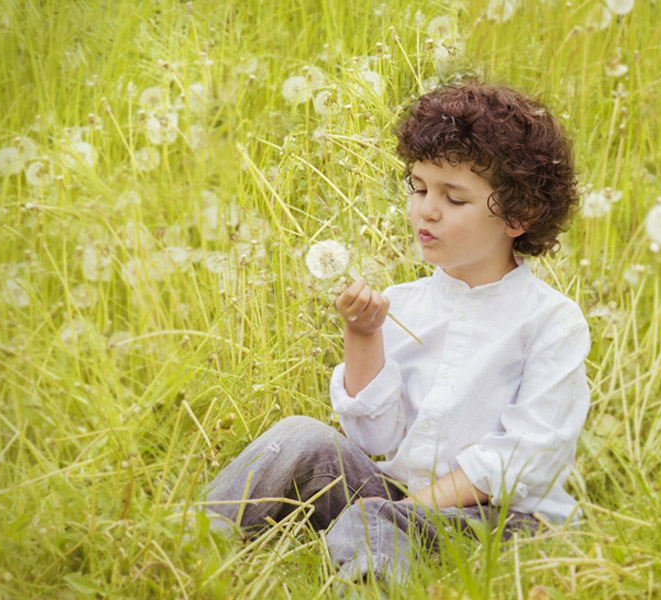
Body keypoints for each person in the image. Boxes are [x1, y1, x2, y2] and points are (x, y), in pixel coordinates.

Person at [202, 82, 591, 588]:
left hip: (502, 520)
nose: (426, 210)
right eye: (419, 187)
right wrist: (363, 334)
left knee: (376, 519)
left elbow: (524, 458)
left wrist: (399, 508)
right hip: (403, 500)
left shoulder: (550, 322)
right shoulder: (406, 304)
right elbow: (376, 439)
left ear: (519, 216)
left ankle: (368, 582)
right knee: (302, 437)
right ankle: (192, 540)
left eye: (453, 198)